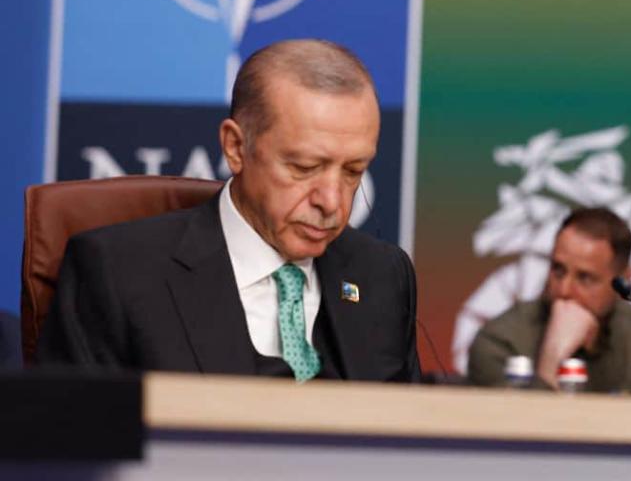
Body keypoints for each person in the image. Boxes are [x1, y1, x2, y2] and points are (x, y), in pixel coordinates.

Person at [38, 40, 419, 382]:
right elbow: (70, 447)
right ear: (236, 147)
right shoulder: (118, 274)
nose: (333, 202)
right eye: (304, 168)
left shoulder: (382, 275)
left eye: (354, 172)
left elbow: (415, 448)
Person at [468, 207, 631, 396]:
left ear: (623, 281)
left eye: (585, 278)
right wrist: (551, 362)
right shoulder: (501, 341)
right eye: (558, 270)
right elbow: (508, 445)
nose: (564, 290)